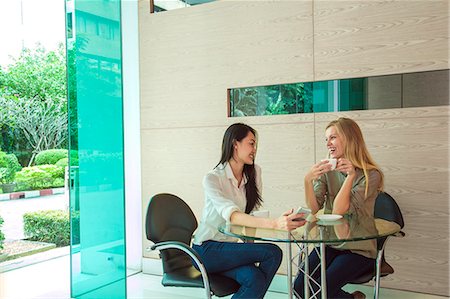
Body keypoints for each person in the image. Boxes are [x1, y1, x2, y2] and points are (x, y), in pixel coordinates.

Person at [193, 123, 306, 299]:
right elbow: (234, 216)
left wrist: (249, 252)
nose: (255, 149)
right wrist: (276, 223)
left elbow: (250, 217)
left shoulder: (254, 173)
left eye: (255, 144)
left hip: (228, 249)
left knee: (254, 278)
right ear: (235, 144)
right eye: (251, 143)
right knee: (272, 252)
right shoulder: (213, 178)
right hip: (206, 250)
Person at [294, 117, 384, 299]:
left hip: (359, 249)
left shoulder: (371, 175)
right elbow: (314, 207)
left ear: (349, 139)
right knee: (300, 288)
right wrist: (308, 180)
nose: (328, 143)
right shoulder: (329, 171)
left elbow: (338, 211)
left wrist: (350, 176)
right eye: (326, 139)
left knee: (322, 291)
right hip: (329, 243)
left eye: (333, 137)